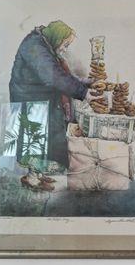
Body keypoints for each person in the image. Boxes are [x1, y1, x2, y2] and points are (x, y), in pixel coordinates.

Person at [8, 20, 92, 169]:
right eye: (65, 44)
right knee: (33, 146)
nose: (65, 49)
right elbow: (54, 77)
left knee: (44, 142)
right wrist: (84, 92)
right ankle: (37, 172)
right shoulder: (34, 46)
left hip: (40, 98)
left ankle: (45, 170)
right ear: (57, 38)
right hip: (29, 99)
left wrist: (85, 82)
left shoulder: (45, 45)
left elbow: (61, 75)